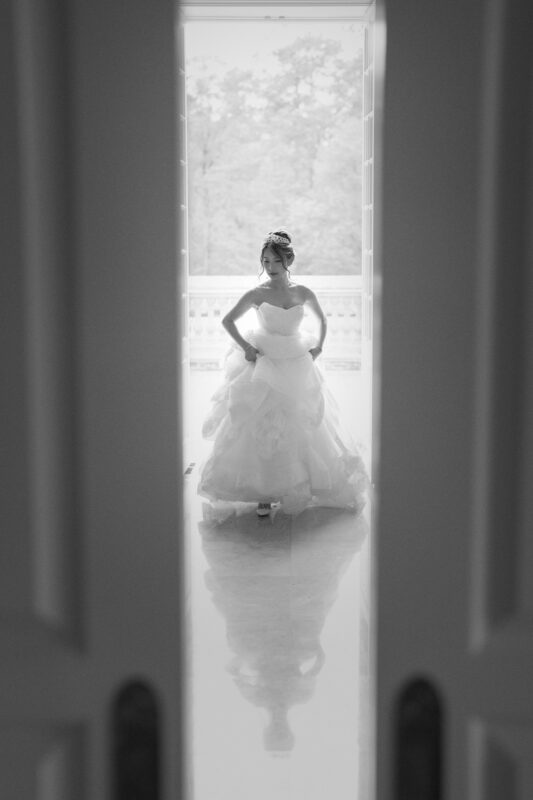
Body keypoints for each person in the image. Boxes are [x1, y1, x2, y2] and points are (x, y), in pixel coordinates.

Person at [197, 229, 368, 519]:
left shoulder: (303, 292)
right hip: (264, 362)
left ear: (287, 261)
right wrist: (246, 348)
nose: (270, 266)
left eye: (275, 261)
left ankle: (300, 486)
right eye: (265, 260)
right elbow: (227, 321)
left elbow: (322, 318)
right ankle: (260, 492)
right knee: (258, 422)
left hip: (296, 359)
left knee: (305, 421)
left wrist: (319, 348)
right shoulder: (256, 293)